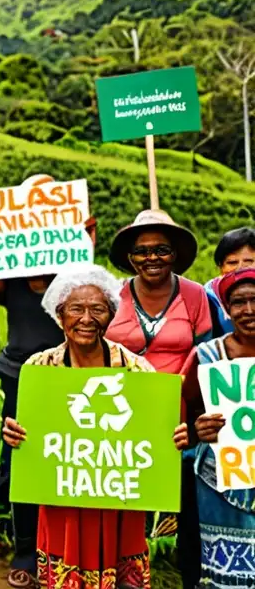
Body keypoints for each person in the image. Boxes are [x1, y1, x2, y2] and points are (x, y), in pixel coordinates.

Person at [2, 265, 188, 589]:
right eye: (76, 309)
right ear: (60, 315)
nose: (86, 319)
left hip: (118, 501)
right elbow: (30, 433)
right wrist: (16, 434)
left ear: (111, 316)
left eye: (97, 309)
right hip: (63, 499)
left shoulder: (136, 368)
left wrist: (172, 435)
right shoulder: (39, 368)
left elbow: (156, 430)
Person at [0, 187, 97, 589]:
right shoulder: (11, 278)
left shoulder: (72, 280)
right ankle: (24, 550)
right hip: (19, 378)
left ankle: (67, 548)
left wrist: (87, 239)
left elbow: (96, 299)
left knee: (69, 459)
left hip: (69, 380)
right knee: (22, 462)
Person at [105, 209, 211, 589]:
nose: (152, 258)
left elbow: (206, 355)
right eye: (142, 251)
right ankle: (123, 578)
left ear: (175, 254)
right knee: (121, 506)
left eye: (161, 249)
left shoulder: (196, 296)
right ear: (130, 257)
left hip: (177, 422)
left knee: (185, 509)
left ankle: (188, 576)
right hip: (120, 419)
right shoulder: (113, 295)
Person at [181, 267, 255, 588]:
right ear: (226, 308)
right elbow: (185, 418)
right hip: (222, 482)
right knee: (225, 577)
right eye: (239, 302)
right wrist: (199, 429)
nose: (249, 310)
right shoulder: (207, 356)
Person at [206, 227, 255, 336]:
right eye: (232, 262)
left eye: (249, 261)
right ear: (220, 266)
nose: (240, 268)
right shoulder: (206, 298)